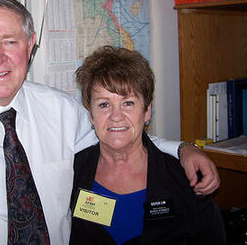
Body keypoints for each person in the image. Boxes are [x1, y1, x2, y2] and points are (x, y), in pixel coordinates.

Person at [0, 0, 219, 244]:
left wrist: (182, 149)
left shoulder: (61, 111)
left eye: (10, 41)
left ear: (30, 45)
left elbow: (117, 134)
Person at [70, 46, 225, 244]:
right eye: (104, 104)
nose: (116, 116)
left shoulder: (185, 179)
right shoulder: (72, 173)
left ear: (146, 112)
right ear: (91, 115)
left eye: (128, 103)